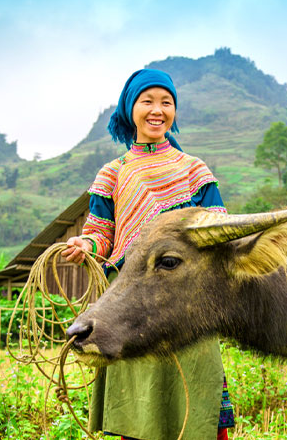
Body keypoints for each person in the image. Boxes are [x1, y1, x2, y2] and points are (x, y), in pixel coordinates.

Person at [62, 69, 234, 440]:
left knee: (198, 402)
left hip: (187, 301)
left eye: (167, 103)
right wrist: (84, 245)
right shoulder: (113, 173)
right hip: (131, 302)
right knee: (137, 407)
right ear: (130, 108)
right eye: (148, 101)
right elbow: (100, 234)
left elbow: (218, 230)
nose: (158, 111)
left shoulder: (194, 170)